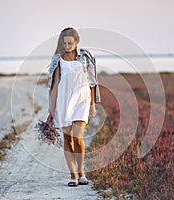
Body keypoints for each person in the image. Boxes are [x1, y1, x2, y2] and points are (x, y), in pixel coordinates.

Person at [47, 27, 101, 187]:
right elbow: (55, 84)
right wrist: (51, 110)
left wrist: (92, 105)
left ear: (76, 42)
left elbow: (92, 82)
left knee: (78, 138)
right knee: (67, 138)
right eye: (65, 43)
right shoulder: (58, 59)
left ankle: (82, 172)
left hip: (82, 100)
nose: (68, 46)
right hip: (64, 100)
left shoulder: (85, 57)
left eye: (70, 43)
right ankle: (73, 176)